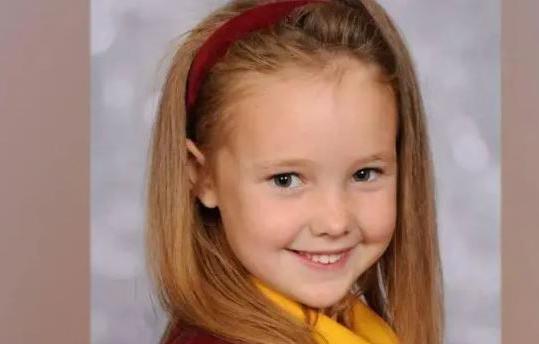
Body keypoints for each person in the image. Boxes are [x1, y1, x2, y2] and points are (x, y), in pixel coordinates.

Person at [145, 0, 443, 343]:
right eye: (285, 180)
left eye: (364, 174)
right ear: (202, 175)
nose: (335, 223)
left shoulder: (359, 329)